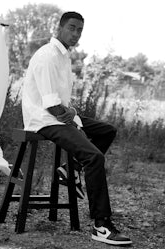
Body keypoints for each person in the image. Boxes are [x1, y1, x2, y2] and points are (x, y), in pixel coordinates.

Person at [22, 11, 132, 246]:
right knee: (93, 157)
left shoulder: (64, 56)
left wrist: (73, 117)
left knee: (107, 130)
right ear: (59, 28)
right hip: (44, 119)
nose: (75, 34)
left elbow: (61, 101)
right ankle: (101, 225)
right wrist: (75, 124)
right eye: (71, 28)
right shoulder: (47, 56)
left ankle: (69, 169)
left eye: (79, 30)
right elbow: (51, 105)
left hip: (59, 116)